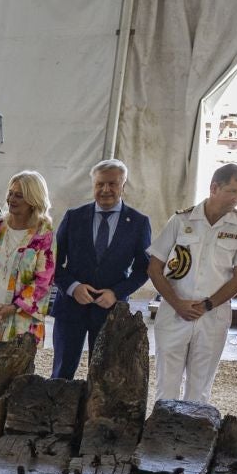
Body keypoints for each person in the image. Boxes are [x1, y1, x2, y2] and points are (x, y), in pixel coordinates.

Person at [146, 163, 237, 403]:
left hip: (213, 316)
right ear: (214, 187)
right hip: (175, 312)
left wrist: (208, 305)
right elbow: (155, 268)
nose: (236, 198)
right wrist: (177, 303)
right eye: (231, 191)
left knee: (200, 389)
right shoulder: (181, 220)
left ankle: (193, 438)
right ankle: (162, 438)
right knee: (166, 385)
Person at [51, 159, 152, 379]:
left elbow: (143, 270)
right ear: (93, 185)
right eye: (100, 184)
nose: (106, 190)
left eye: (112, 184)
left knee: (104, 376)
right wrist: (73, 287)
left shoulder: (138, 223)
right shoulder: (73, 217)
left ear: (123, 186)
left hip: (111, 311)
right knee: (61, 373)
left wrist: (116, 293)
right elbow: (52, 263)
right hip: (70, 308)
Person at [0, 170, 56, 346]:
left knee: (18, 372)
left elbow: (44, 280)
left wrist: (13, 308)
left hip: (22, 320)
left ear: (33, 201)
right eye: (10, 193)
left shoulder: (43, 234)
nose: (11, 199)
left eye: (19, 195)